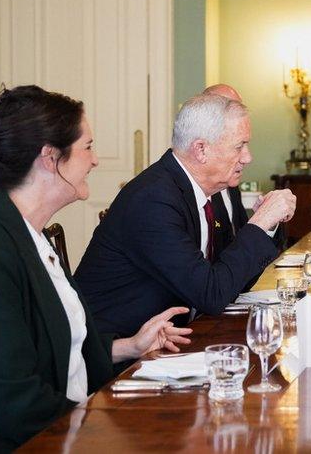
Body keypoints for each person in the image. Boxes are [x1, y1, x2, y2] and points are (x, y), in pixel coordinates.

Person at [0, 86, 192, 451]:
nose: (95, 160)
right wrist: (104, 436)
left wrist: (129, 346)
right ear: (50, 158)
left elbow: (55, 344)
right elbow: (13, 401)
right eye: (88, 147)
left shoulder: (27, 234)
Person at [75, 93, 297, 337]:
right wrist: (258, 223)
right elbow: (211, 295)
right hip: (121, 356)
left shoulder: (199, 194)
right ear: (201, 150)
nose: (248, 157)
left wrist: (266, 225)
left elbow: (230, 282)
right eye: (239, 146)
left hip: (174, 338)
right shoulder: (154, 199)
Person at [202, 84, 285, 255]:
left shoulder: (230, 181)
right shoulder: (198, 189)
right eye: (230, 110)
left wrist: (266, 220)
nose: (247, 158)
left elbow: (242, 243)